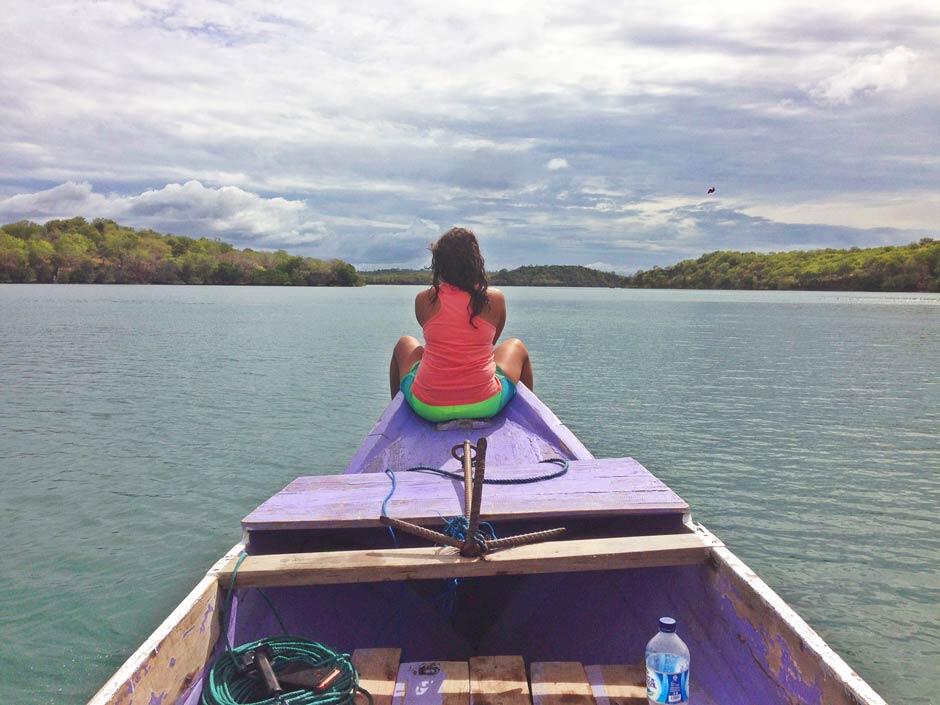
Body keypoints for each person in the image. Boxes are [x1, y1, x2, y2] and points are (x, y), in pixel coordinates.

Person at [389, 227, 533, 423]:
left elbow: (434, 337)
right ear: (475, 261)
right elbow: (491, 345)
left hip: (429, 407)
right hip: (485, 404)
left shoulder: (423, 299)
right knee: (517, 346)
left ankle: (396, 421)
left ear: (439, 263)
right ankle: (529, 421)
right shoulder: (494, 299)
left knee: (405, 344)